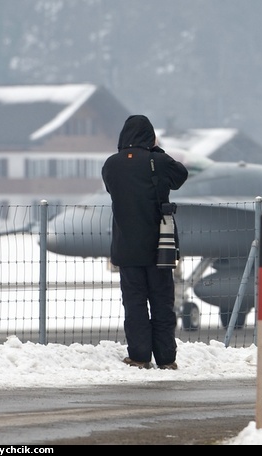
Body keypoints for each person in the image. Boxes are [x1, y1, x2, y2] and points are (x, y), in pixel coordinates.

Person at [102, 114, 189, 370]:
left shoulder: (111, 165)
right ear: (150, 137)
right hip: (159, 248)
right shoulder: (159, 161)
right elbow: (180, 176)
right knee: (162, 302)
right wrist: (155, 151)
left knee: (134, 303)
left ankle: (139, 356)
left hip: (126, 247)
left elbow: (112, 189)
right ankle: (166, 359)